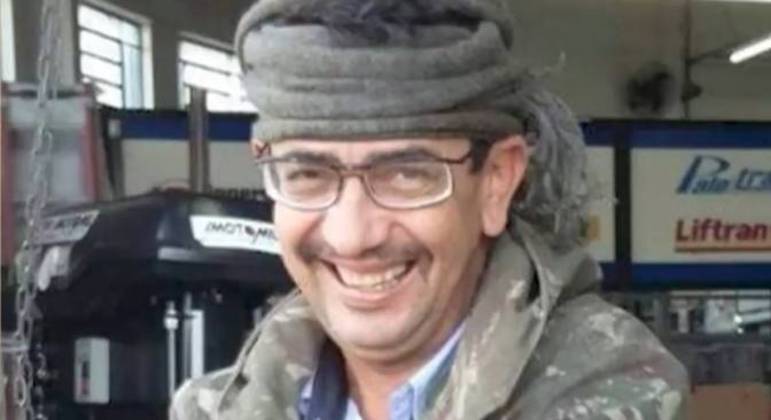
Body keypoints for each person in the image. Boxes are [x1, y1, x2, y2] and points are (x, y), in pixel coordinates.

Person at [171, 0, 689, 419]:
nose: (352, 236)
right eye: (308, 174)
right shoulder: (214, 408)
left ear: (496, 182)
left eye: (406, 174)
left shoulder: (609, 389)